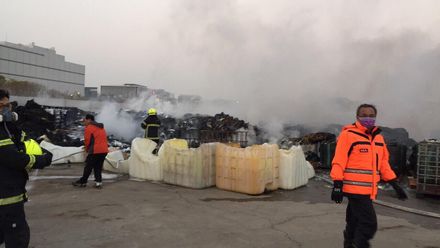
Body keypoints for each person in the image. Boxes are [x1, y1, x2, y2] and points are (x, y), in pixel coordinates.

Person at [330, 104, 408, 248]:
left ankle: (349, 243)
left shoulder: (378, 139)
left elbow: (383, 163)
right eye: (364, 115)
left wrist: (395, 184)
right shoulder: (348, 135)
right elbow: (339, 160)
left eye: (371, 116)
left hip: (368, 190)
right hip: (354, 189)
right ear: (357, 117)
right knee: (369, 223)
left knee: (354, 221)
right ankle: (359, 245)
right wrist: (337, 184)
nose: (368, 118)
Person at [0, 89, 53, 248]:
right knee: (18, 238)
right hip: (6, 196)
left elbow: (27, 143)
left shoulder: (9, 128)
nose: (6, 109)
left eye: (8, 105)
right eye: (1, 106)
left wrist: (42, 151)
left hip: (10, 193)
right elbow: (13, 158)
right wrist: (40, 160)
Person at [72, 114, 108, 189]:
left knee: (88, 166)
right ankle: (98, 182)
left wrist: (87, 150)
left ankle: (83, 181)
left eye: (84, 120)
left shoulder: (89, 128)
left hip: (95, 150)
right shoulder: (101, 127)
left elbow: (87, 140)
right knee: (98, 167)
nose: (84, 122)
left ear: (89, 120)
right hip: (104, 150)